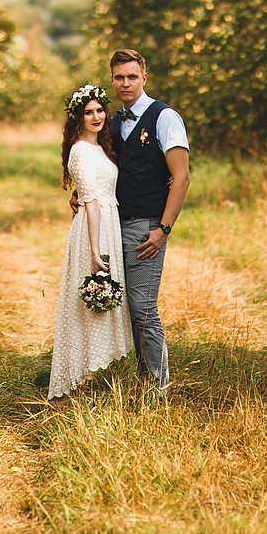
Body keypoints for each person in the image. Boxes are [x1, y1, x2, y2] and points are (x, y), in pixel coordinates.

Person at [108, 49, 190, 397]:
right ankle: (136, 380)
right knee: (122, 305)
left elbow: (182, 177)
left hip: (147, 227)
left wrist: (163, 229)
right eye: (118, 77)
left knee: (142, 306)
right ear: (112, 80)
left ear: (144, 77)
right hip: (113, 226)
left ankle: (158, 388)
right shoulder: (111, 121)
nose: (125, 83)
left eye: (131, 76)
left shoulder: (164, 117)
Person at [48, 83, 135, 400]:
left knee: (101, 305)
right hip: (92, 231)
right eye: (89, 112)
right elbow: (92, 202)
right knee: (85, 305)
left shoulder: (103, 148)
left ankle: (90, 378)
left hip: (109, 225)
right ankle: (76, 380)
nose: (96, 116)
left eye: (100, 110)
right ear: (78, 117)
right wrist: (96, 252)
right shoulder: (80, 150)